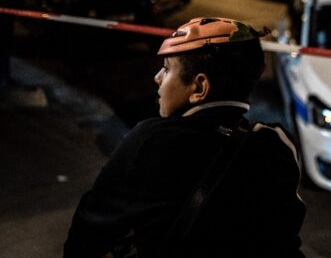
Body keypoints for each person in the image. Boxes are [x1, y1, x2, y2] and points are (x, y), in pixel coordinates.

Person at [64, 17, 306, 257]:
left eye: (167, 69)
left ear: (199, 88)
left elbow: (87, 235)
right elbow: (285, 237)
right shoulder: (276, 145)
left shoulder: (150, 140)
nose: (157, 77)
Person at [0, 0, 25, 94]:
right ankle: (4, 81)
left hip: (5, 22)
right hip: (4, 24)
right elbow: (18, 1)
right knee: (3, 53)